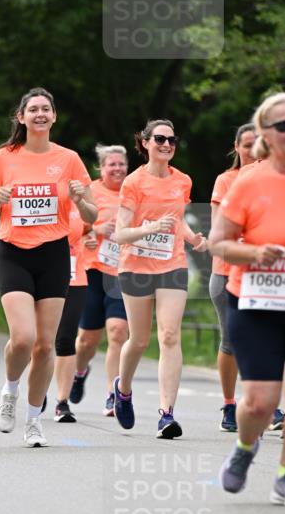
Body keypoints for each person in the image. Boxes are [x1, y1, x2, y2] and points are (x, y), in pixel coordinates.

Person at [0, 87, 97, 448]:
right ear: (22, 117)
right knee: (24, 338)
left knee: (45, 346)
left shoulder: (70, 159)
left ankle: (33, 420)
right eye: (33, 109)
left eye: (46, 108)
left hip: (54, 254)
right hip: (13, 252)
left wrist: (79, 200)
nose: (40, 114)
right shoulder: (5, 156)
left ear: (54, 116)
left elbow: (92, 214)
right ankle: (9, 391)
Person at [210, 92, 285, 505]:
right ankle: (245, 447)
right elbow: (219, 244)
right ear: (265, 134)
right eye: (284, 126)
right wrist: (254, 253)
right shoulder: (250, 181)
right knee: (261, 403)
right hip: (255, 300)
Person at [113, 119, 207, 438]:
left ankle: (166, 414)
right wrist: (150, 228)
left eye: (171, 139)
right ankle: (123, 389)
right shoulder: (133, 183)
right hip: (136, 267)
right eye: (160, 139)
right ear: (145, 143)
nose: (167, 144)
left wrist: (193, 238)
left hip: (172, 265)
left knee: (169, 335)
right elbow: (120, 233)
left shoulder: (183, 181)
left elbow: (176, 223)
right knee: (138, 340)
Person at [71, 144, 129, 415]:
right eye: (111, 164)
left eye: (121, 164)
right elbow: (73, 227)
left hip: (123, 273)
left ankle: (112, 394)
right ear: (101, 168)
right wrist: (95, 228)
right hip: (93, 270)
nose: (117, 168)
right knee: (87, 340)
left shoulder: (135, 191)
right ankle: (79, 371)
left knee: (118, 332)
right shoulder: (91, 192)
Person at [209, 123, 256, 431]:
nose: (252, 150)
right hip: (226, 275)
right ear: (236, 147)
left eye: (257, 144)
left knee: (269, 342)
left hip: (268, 277)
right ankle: (229, 404)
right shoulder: (227, 180)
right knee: (232, 342)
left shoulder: (277, 180)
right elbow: (218, 232)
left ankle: (265, 405)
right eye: (246, 144)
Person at [53, 205, 88, 422]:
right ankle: (35, 389)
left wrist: (90, 237)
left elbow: (89, 226)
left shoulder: (79, 203)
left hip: (75, 277)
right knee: (39, 340)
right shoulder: (38, 194)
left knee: (66, 338)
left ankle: (62, 402)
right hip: (43, 276)